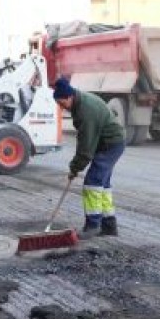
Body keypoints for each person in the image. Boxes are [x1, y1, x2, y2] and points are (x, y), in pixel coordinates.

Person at [52, 77, 126, 238]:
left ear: (69, 96)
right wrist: (77, 166)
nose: (61, 106)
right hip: (111, 143)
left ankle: (92, 225)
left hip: (110, 145)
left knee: (92, 184)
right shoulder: (80, 102)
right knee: (103, 185)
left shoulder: (85, 111)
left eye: (61, 102)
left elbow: (86, 148)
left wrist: (75, 167)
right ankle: (109, 226)